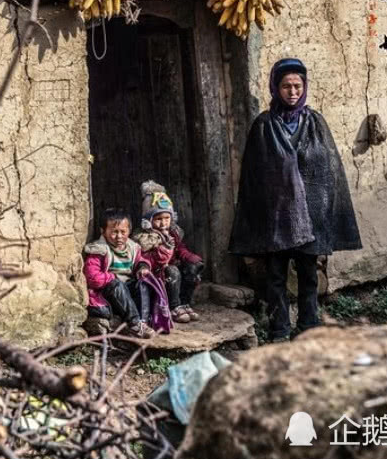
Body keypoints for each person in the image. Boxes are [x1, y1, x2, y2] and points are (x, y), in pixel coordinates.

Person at [228, 58, 362, 342]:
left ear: (304, 87)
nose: (292, 92)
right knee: (275, 276)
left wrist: (323, 211)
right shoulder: (264, 125)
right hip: (278, 216)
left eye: (297, 86)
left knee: (309, 275)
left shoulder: (315, 122)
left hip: (310, 214)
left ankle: (309, 327)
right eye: (286, 86)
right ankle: (279, 330)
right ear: (276, 88)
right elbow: (254, 177)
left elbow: (327, 170)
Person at [133, 181, 204, 324]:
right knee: (173, 271)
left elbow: (179, 249)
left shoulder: (173, 233)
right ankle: (174, 306)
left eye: (166, 218)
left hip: (172, 271)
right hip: (157, 274)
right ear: (148, 220)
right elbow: (145, 258)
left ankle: (185, 303)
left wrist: (191, 258)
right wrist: (162, 252)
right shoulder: (145, 238)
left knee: (192, 269)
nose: (163, 223)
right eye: (158, 219)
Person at [82, 208, 159, 338]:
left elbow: (141, 260)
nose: (119, 236)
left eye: (123, 232)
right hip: (109, 292)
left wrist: (142, 267)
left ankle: (144, 321)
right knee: (117, 285)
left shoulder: (133, 248)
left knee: (143, 284)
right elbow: (92, 277)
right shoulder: (99, 250)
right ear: (103, 231)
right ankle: (135, 324)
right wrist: (113, 277)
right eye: (114, 232)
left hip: (127, 291)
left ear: (129, 231)